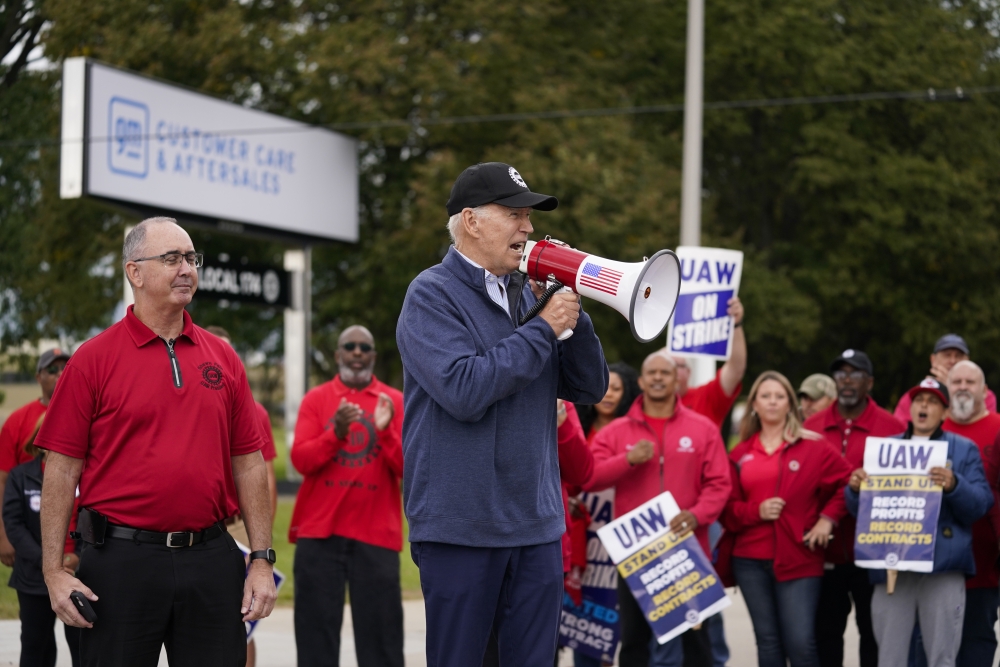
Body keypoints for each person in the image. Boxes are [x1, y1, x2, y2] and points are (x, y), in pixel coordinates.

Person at [36, 216, 276, 667]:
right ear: (135, 272)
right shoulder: (91, 360)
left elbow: (248, 460)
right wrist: (52, 570)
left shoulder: (222, 358)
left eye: (191, 258)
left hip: (210, 559)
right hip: (120, 563)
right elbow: (61, 468)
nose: (186, 268)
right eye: (171, 258)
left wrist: (261, 560)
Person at [396, 162, 608, 667]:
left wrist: (571, 312)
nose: (529, 228)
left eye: (528, 217)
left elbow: (590, 386)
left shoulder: (530, 292)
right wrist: (542, 329)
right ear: (471, 221)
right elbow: (465, 389)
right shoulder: (430, 294)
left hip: (535, 526)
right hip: (460, 527)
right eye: (515, 214)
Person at [587, 352, 730, 667]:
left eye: (665, 373)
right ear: (640, 381)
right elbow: (590, 477)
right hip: (636, 555)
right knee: (635, 642)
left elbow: (720, 484)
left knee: (697, 644)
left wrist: (696, 515)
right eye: (651, 373)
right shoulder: (616, 431)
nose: (657, 378)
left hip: (688, 552)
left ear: (677, 380)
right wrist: (627, 460)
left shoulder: (703, 428)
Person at [846, 378, 993, 667]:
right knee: (889, 657)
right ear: (910, 408)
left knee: (942, 656)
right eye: (918, 400)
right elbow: (860, 512)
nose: (924, 405)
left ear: (944, 412)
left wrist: (954, 485)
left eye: (933, 401)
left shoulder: (963, 449)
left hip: (942, 567)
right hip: (893, 569)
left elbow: (980, 504)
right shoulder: (883, 449)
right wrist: (854, 489)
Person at [289, 324, 405, 667]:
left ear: (372, 356)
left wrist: (384, 432)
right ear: (338, 354)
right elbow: (301, 461)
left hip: (376, 537)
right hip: (319, 536)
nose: (357, 353)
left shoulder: (394, 401)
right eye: (349, 346)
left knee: (382, 643)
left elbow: (408, 469)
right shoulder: (317, 399)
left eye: (364, 348)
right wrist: (335, 434)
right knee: (315, 642)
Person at [718, 371, 852, 667]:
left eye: (780, 397)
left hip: (800, 559)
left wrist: (827, 519)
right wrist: (757, 511)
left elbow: (848, 482)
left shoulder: (814, 447)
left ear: (791, 404)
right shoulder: (739, 453)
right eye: (765, 396)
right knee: (768, 644)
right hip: (749, 561)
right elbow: (728, 511)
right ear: (754, 403)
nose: (773, 402)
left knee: (801, 644)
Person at [803, 349, 904, 667]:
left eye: (856, 374)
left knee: (873, 635)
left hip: (873, 554)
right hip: (825, 553)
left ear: (869, 383)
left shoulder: (893, 428)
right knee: (826, 636)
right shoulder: (812, 426)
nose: (847, 381)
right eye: (841, 374)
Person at [205, 325, 279, 667]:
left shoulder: (255, 411)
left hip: (236, 527)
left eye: (229, 350)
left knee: (241, 623)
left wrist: (260, 542)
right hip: (203, 523)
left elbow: (263, 475)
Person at [571, 362, 640, 667]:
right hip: (582, 540)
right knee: (582, 621)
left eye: (616, 388)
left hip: (621, 538)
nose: (608, 394)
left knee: (619, 624)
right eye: (603, 387)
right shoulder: (576, 429)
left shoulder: (634, 432)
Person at [3, 415, 81, 667]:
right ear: (39, 439)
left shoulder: (88, 474)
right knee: (37, 647)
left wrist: (78, 558)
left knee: (84, 648)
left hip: (82, 576)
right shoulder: (20, 476)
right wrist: (48, 561)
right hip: (33, 579)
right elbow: (13, 524)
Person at [942, 361, 1000, 667]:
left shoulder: (999, 427)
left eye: (970, 381)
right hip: (937, 561)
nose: (963, 386)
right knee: (936, 644)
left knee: (977, 638)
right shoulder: (932, 432)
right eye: (956, 381)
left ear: (984, 390)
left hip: (985, 559)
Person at [0, 348, 70, 567]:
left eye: (65, 368)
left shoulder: (90, 415)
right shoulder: (18, 420)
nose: (60, 373)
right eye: (52, 369)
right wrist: (3, 535)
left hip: (75, 532)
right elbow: (2, 480)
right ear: (38, 377)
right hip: (29, 529)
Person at [671, 298, 746, 429]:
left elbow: (735, 369)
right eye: (667, 367)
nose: (672, 371)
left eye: (678, 366)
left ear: (689, 372)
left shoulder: (706, 397)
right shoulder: (645, 403)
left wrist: (735, 325)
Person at [893, 334, 996, 422]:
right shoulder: (914, 396)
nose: (952, 361)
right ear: (933, 360)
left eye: (959, 356)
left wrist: (950, 388)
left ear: (967, 360)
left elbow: (982, 425)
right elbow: (903, 431)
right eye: (947, 355)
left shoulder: (983, 395)